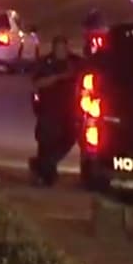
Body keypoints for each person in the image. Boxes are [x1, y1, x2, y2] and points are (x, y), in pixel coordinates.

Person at [30, 35, 81, 185]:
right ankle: (45, 175)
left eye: (63, 48)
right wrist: (58, 77)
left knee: (70, 137)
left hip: (70, 109)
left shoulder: (75, 62)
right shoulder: (46, 63)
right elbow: (37, 83)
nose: (61, 51)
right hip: (48, 109)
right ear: (54, 48)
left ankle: (43, 165)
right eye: (58, 48)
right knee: (46, 143)